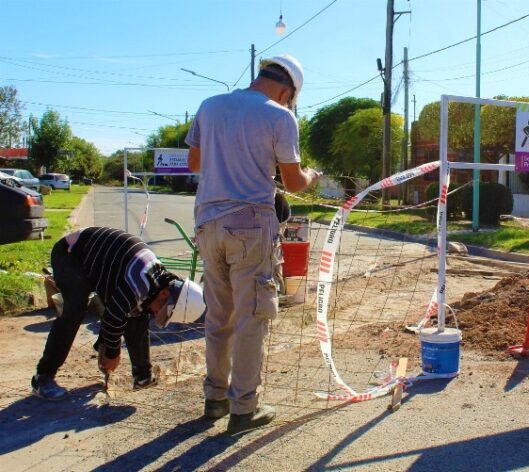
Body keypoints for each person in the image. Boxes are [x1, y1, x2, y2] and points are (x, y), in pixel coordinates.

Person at [186, 54, 320, 435]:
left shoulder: (209, 107)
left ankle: (215, 399)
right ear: (286, 90)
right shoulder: (280, 117)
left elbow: (195, 163)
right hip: (250, 224)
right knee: (252, 317)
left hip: (207, 223)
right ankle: (244, 408)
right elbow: (293, 183)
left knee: (218, 315)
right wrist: (310, 176)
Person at [31, 227, 206, 400]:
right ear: (165, 294)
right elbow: (113, 317)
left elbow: (124, 313)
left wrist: (106, 344)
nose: (157, 313)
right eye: (162, 311)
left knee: (139, 313)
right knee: (74, 309)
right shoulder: (140, 281)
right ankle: (43, 377)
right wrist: (112, 353)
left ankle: (143, 377)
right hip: (71, 254)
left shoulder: (158, 282)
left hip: (103, 267)